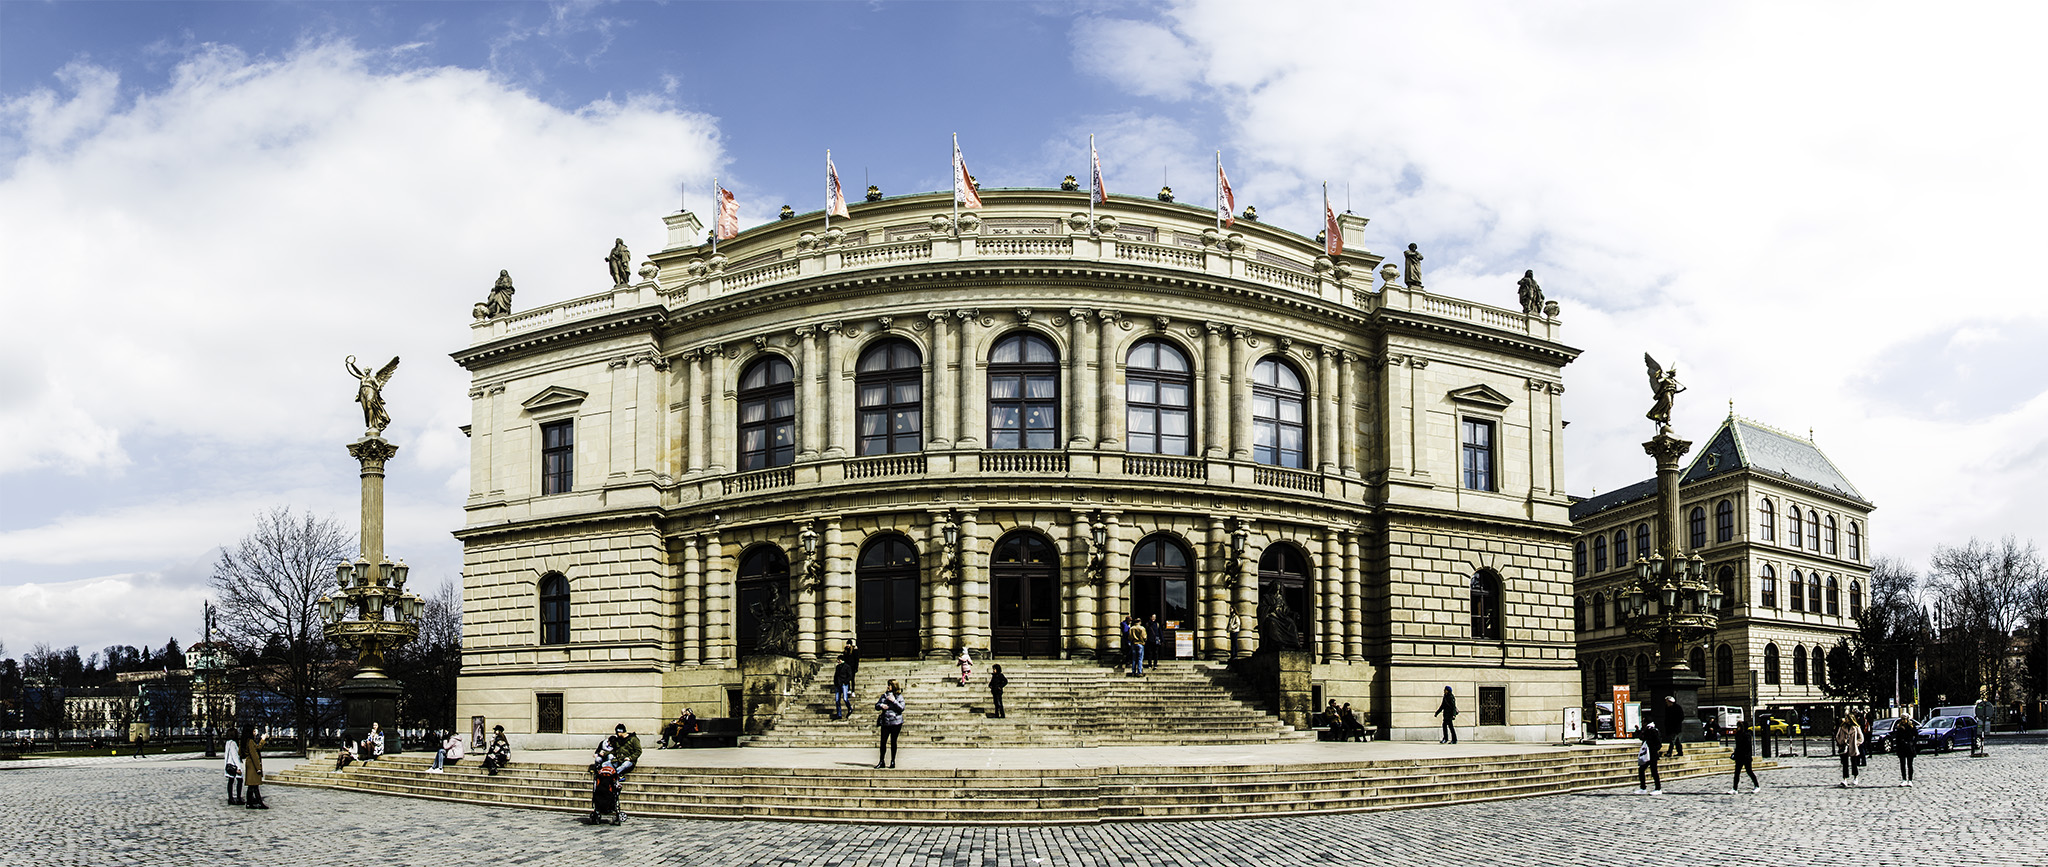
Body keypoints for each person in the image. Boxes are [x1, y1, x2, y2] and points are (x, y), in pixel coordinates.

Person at [875, 679, 905, 769]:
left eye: (890, 685)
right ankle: (881, 761)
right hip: (885, 721)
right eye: (888, 685)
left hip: (896, 721)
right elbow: (876, 705)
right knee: (883, 741)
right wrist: (881, 706)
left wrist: (894, 701)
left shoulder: (899, 696)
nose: (888, 687)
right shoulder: (884, 696)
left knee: (893, 742)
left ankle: (893, 761)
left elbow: (902, 708)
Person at [1728, 719, 1760, 793]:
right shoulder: (1738, 735)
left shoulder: (1747, 735)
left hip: (1746, 757)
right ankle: (1734, 788)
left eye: (1738, 726)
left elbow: (1748, 747)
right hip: (1739, 757)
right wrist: (1735, 754)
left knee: (1749, 771)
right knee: (1737, 773)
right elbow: (1737, 746)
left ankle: (1757, 786)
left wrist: (1747, 755)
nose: (1737, 728)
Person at [241, 728, 270, 809]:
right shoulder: (250, 741)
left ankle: (250, 802)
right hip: (253, 765)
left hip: (250, 764)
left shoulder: (246, 741)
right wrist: (258, 767)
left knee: (252, 785)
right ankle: (259, 803)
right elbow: (255, 753)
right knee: (254, 785)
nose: (255, 733)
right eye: (253, 731)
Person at [1835, 713, 1864, 787]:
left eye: (1847, 718)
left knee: (1854, 763)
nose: (1846, 720)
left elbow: (1861, 738)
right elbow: (1837, 736)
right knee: (1845, 764)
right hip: (1844, 747)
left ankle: (1855, 777)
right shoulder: (1842, 727)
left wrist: (1856, 743)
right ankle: (1845, 779)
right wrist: (1840, 742)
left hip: (1853, 747)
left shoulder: (1856, 727)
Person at [1636, 721, 1663, 795]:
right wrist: (1638, 731)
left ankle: (1658, 788)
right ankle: (1643, 787)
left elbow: (1658, 743)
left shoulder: (1653, 730)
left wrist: (1653, 749)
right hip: (1647, 754)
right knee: (1642, 770)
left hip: (1652, 754)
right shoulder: (1647, 730)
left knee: (1654, 771)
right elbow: (1643, 738)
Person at [1893, 714, 1920, 787]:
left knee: (1910, 764)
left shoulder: (1911, 726)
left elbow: (1916, 736)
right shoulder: (1899, 727)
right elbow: (1897, 738)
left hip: (1909, 747)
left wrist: (1913, 744)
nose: (1903, 720)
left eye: (1904, 719)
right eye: (1902, 719)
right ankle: (1904, 779)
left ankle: (1910, 780)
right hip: (1901, 747)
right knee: (1902, 764)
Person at [222, 726, 244, 805]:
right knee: (239, 780)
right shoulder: (233, 743)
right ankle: (238, 798)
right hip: (234, 765)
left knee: (230, 781)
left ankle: (230, 798)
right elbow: (235, 756)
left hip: (229, 764)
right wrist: (239, 767)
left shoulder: (228, 743)